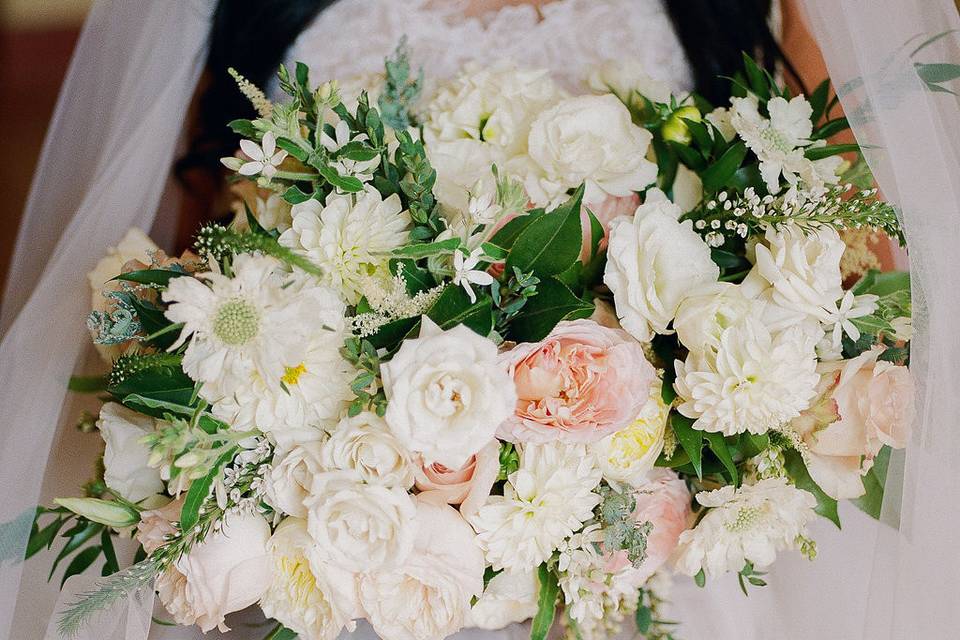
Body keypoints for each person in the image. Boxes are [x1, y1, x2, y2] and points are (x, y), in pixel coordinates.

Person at [1, 1, 955, 639]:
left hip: (635, 581)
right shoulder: (244, 6)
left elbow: (850, 287)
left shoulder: (740, 7)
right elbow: (174, 295)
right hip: (334, 560)